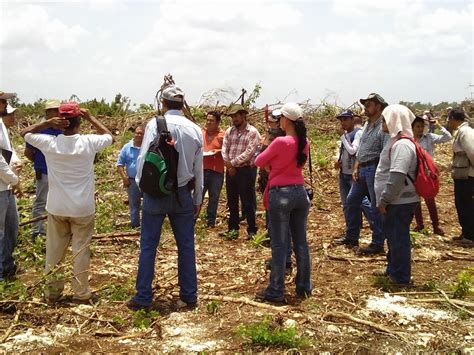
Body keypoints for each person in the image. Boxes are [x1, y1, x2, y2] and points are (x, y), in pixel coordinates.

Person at [21, 102, 113, 303]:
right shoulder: (89, 142)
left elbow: (25, 133)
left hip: (57, 206)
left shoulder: (49, 143)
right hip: (83, 208)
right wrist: (91, 117)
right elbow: (109, 135)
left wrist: (47, 124)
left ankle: (52, 293)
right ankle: (81, 293)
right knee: (80, 252)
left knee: (54, 252)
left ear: (60, 122)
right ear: (79, 121)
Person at [128, 85, 203, 311]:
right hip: (182, 194)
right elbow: (198, 169)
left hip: (156, 195)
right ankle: (189, 296)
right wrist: (198, 198)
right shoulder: (195, 129)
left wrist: (143, 188)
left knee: (148, 246)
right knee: (186, 246)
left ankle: (143, 296)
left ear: (163, 102)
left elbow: (143, 160)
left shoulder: (154, 124)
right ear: (183, 103)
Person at [254, 102, 311, 303]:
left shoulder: (280, 142)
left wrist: (272, 166)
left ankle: (276, 290)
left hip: (281, 193)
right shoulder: (305, 143)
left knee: (279, 245)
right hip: (300, 193)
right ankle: (304, 287)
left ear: (286, 120)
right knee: (301, 243)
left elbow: (259, 161)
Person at [335, 93, 389, 254]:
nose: (365, 108)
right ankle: (352, 236)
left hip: (374, 168)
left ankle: (378, 242)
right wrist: (357, 167)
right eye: (365, 104)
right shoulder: (366, 125)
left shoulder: (383, 126)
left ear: (378, 106)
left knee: (374, 206)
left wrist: (379, 172)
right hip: (362, 168)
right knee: (351, 201)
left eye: (369, 105)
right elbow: (361, 149)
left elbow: (385, 151)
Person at [374, 104, 419, 285]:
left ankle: (400, 277)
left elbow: (397, 175)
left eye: (384, 119)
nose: (382, 123)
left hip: (399, 201)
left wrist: (385, 199)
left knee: (398, 238)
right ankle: (393, 269)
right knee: (393, 236)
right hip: (395, 200)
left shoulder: (402, 145)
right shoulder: (395, 142)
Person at [258, 109, 291, 272]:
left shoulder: (280, 140)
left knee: (281, 226)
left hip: (279, 185)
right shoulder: (293, 140)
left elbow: (262, 158)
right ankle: (284, 259)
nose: (270, 125)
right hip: (278, 183)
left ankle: (283, 262)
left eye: (274, 122)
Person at [24, 99, 62, 241]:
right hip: (44, 171)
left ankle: (54, 230)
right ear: (48, 112)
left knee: (57, 201)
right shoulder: (38, 129)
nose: (58, 113)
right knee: (41, 202)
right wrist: (40, 163)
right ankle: (37, 232)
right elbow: (28, 152)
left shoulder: (60, 128)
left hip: (58, 172)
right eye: (55, 110)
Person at [221, 104, 261, 238]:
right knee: (232, 200)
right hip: (231, 170)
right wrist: (229, 165)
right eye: (232, 116)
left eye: (236, 116)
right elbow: (224, 148)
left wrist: (232, 164)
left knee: (248, 200)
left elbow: (249, 153)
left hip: (245, 170)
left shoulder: (253, 132)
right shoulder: (229, 131)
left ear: (243, 115)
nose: (234, 119)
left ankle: (251, 230)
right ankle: (233, 229)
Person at [411, 115, 452, 235]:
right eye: (417, 126)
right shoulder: (409, 140)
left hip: (427, 173)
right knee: (415, 200)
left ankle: (436, 226)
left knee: (430, 199)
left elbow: (447, 137)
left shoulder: (429, 137)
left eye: (422, 126)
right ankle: (420, 225)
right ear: (412, 127)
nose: (420, 129)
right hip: (414, 173)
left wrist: (438, 125)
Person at [334, 110, 371, 236]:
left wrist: (343, 137)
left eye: (345, 119)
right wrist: (338, 162)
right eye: (341, 120)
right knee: (347, 205)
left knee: (363, 202)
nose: (343, 123)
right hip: (343, 174)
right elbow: (344, 152)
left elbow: (352, 151)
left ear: (352, 120)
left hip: (353, 175)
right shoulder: (346, 135)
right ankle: (351, 232)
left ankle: (378, 226)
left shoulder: (357, 133)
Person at [0, 96, 22, 282]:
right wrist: (15, 180)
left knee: (12, 227)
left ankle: (7, 264)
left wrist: (15, 161)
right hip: (3, 186)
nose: (5, 105)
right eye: (2, 101)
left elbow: (7, 150)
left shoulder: (1, 125)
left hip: (5, 186)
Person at [447, 108, 474, 242]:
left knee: (465, 204)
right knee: (462, 203)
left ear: (452, 118)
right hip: (462, 174)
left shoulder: (465, 132)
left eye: (449, 118)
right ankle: (466, 232)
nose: (448, 122)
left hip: (467, 175)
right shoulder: (462, 131)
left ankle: (470, 235)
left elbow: (472, 152)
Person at [117, 124, 145, 228]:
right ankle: (135, 226)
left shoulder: (148, 147)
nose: (138, 135)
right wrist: (124, 178)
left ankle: (147, 226)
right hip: (132, 181)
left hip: (146, 181)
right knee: (134, 205)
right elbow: (120, 164)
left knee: (148, 205)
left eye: (141, 133)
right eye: (136, 133)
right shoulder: (127, 147)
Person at [202, 111, 225, 228]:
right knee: (198, 195)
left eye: (211, 120)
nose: (208, 122)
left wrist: (218, 151)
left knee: (214, 197)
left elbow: (227, 150)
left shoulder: (223, 135)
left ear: (218, 122)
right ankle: (193, 218)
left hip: (217, 171)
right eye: (207, 120)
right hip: (202, 169)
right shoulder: (201, 133)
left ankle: (211, 221)